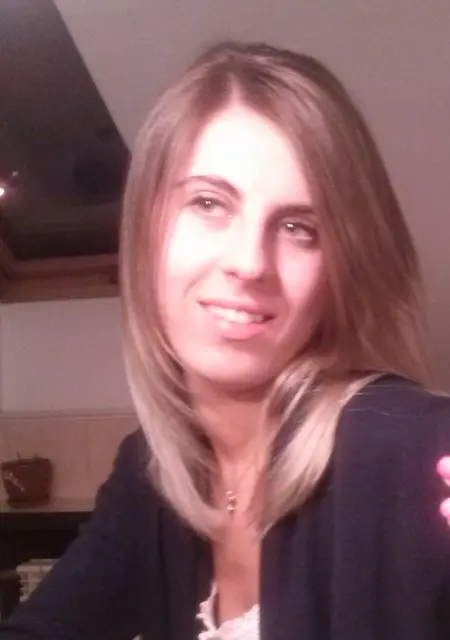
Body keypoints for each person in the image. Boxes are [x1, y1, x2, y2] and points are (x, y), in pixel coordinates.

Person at [1, 41, 450, 640]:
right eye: (209, 203)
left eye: (299, 227)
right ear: (145, 229)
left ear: (340, 267)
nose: (249, 262)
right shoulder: (150, 472)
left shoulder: (400, 447)